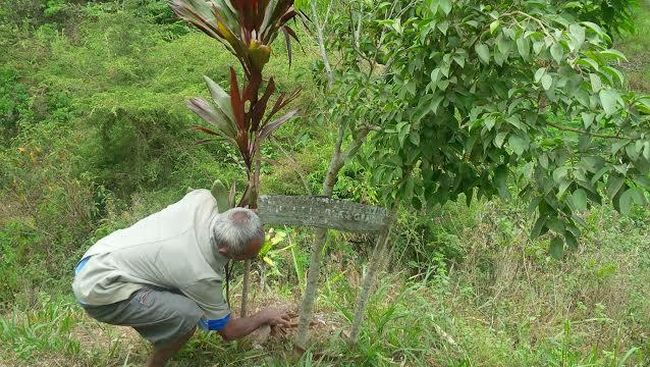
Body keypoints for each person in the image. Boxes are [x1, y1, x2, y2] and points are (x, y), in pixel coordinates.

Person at [72, 189, 291, 367]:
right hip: (99, 290)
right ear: (225, 252)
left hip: (97, 256)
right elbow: (229, 331)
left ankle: (157, 326)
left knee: (178, 295)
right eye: (247, 257)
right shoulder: (200, 275)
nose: (251, 259)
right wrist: (264, 315)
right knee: (187, 316)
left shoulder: (203, 200)